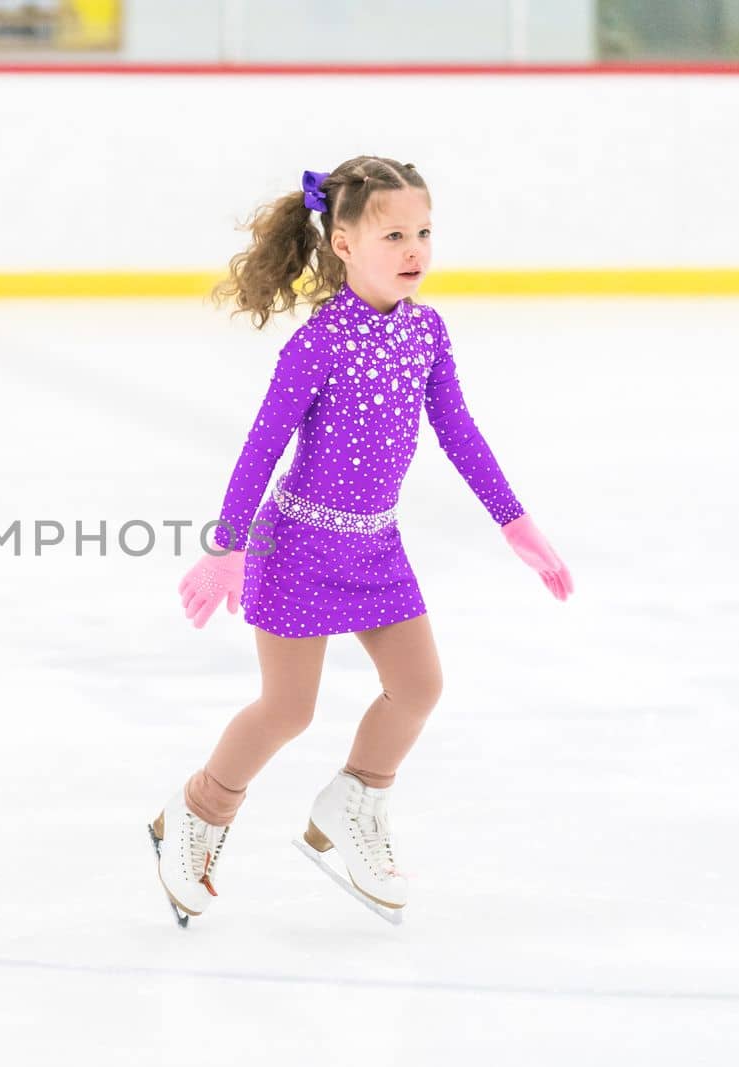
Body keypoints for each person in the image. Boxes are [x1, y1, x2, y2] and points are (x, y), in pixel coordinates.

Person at [149, 155, 573, 926]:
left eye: (424, 232)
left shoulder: (426, 331)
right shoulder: (318, 342)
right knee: (287, 709)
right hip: (297, 545)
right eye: (394, 235)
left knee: (420, 687)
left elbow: (458, 430)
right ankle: (195, 814)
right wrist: (229, 544)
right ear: (343, 244)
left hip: (376, 548)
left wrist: (515, 520)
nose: (415, 249)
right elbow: (261, 444)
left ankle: (353, 800)